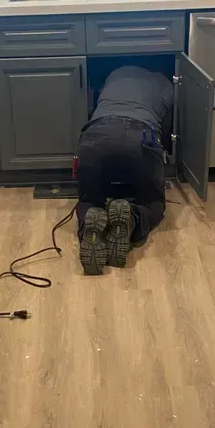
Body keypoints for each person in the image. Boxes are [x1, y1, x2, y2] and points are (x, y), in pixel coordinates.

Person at [76, 65, 174, 275]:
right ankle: (132, 217)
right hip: (140, 136)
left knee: (89, 200)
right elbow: (165, 134)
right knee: (153, 202)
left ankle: (91, 225)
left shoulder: (114, 74)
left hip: (95, 134)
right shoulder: (166, 85)